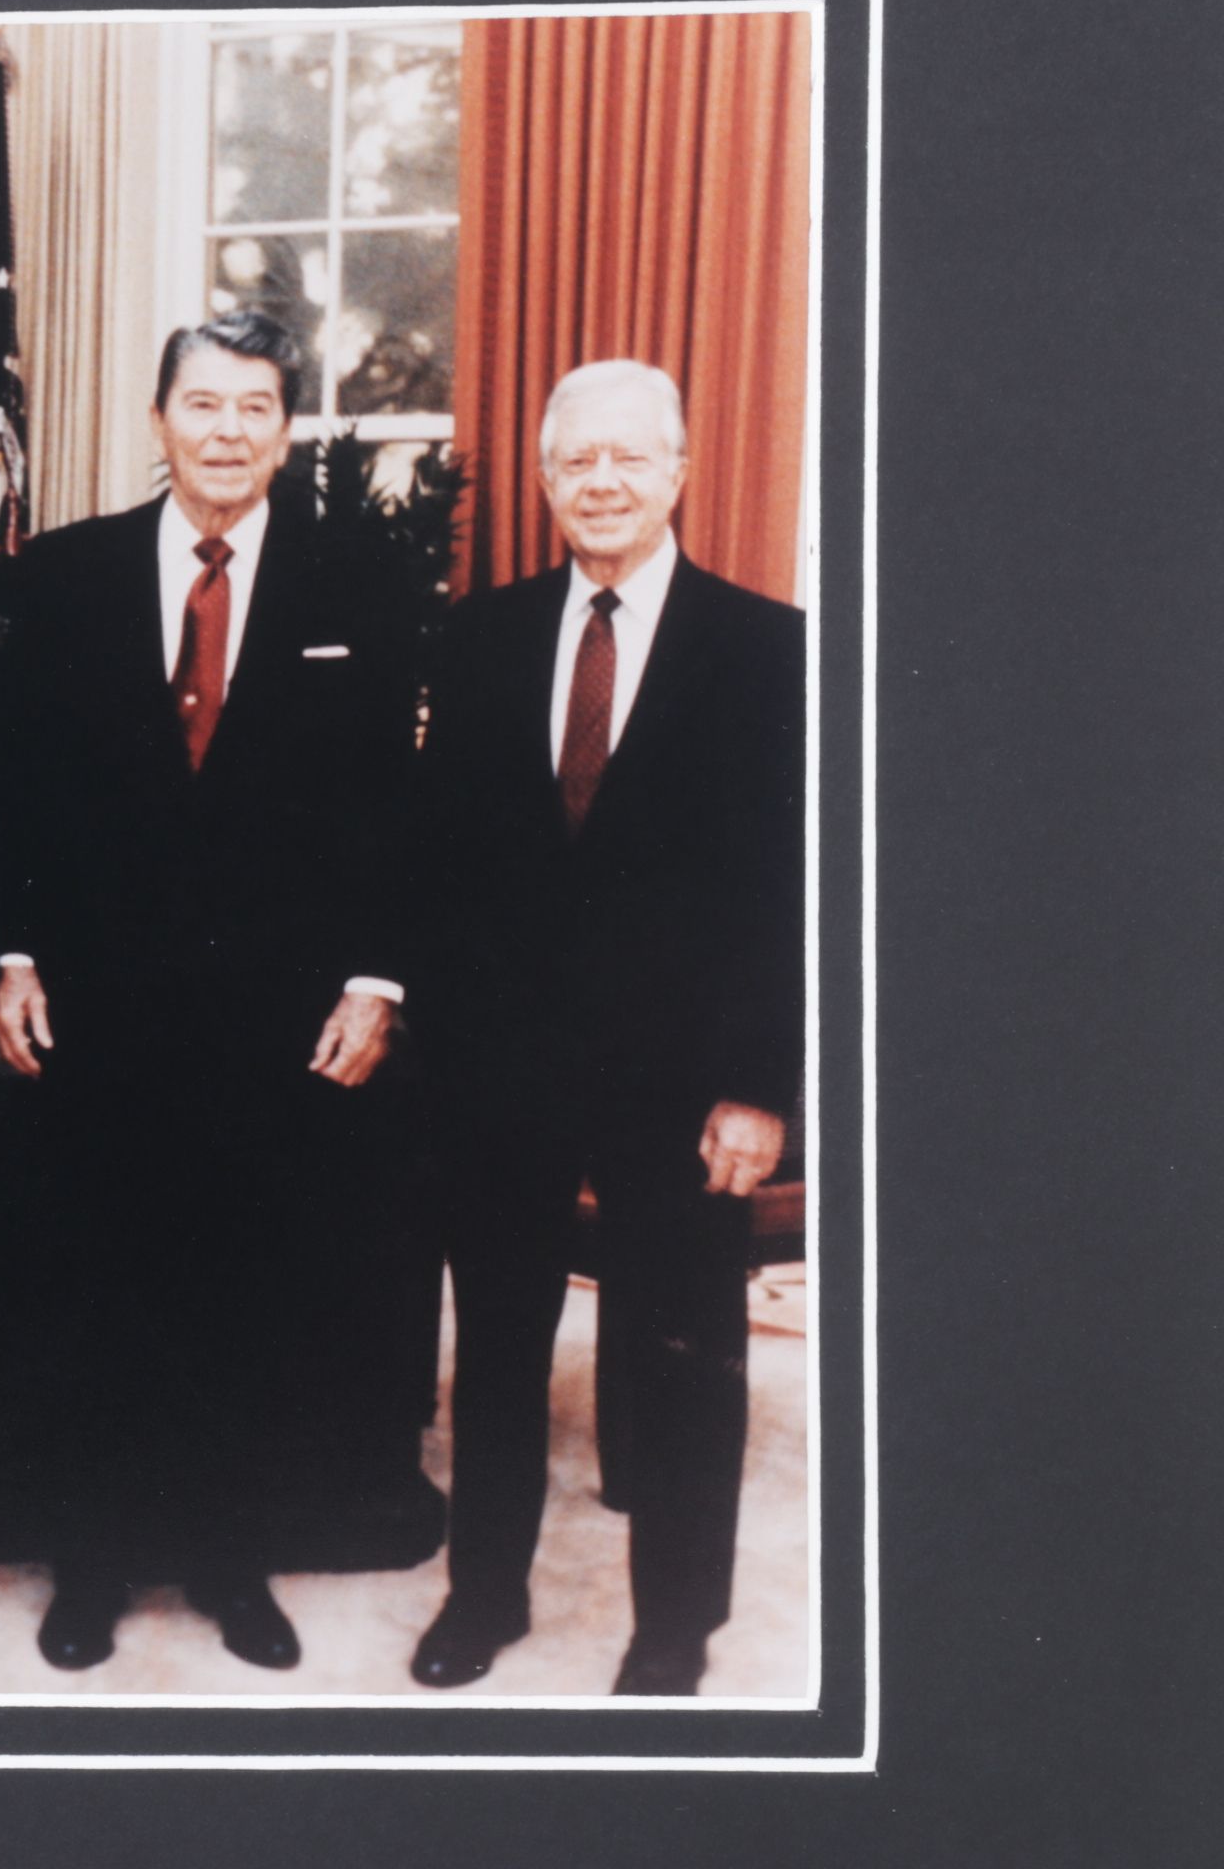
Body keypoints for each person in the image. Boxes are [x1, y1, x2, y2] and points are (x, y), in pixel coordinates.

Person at [0, 313, 421, 1674]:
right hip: (99, 1007)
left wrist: (374, 976)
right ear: (158, 418)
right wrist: (7, 952)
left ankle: (236, 1560)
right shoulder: (63, 576)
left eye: (255, 408)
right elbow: (6, 787)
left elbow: (396, 810)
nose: (228, 430)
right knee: (92, 1289)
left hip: (275, 1016)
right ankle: (93, 1561)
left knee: (251, 1291)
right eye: (204, 404)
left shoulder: (362, 579)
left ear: (285, 430)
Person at [402, 358, 805, 1697]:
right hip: (501, 1069)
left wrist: (762, 1085)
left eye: (633, 457)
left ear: (682, 470)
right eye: (579, 461)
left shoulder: (769, 651)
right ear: (545, 478)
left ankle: (676, 1629)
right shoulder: (480, 637)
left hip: (686, 1078)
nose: (605, 482)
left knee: (687, 1353)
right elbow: (444, 868)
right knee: (501, 1345)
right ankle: (485, 1598)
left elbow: (788, 890)